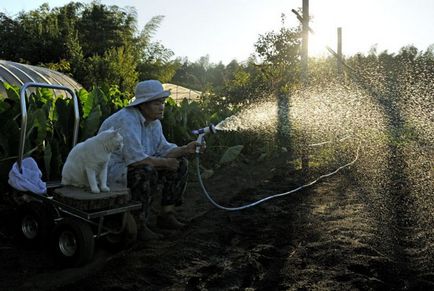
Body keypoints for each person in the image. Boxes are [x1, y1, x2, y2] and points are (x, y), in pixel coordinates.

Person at [98, 80, 203, 240]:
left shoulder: (154, 123)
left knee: (181, 163)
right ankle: (138, 225)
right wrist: (166, 163)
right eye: (156, 103)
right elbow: (135, 161)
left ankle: (166, 215)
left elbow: (164, 150)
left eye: (162, 102)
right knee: (146, 171)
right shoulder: (126, 120)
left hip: (132, 166)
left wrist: (184, 149)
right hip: (110, 172)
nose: (162, 107)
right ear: (143, 105)